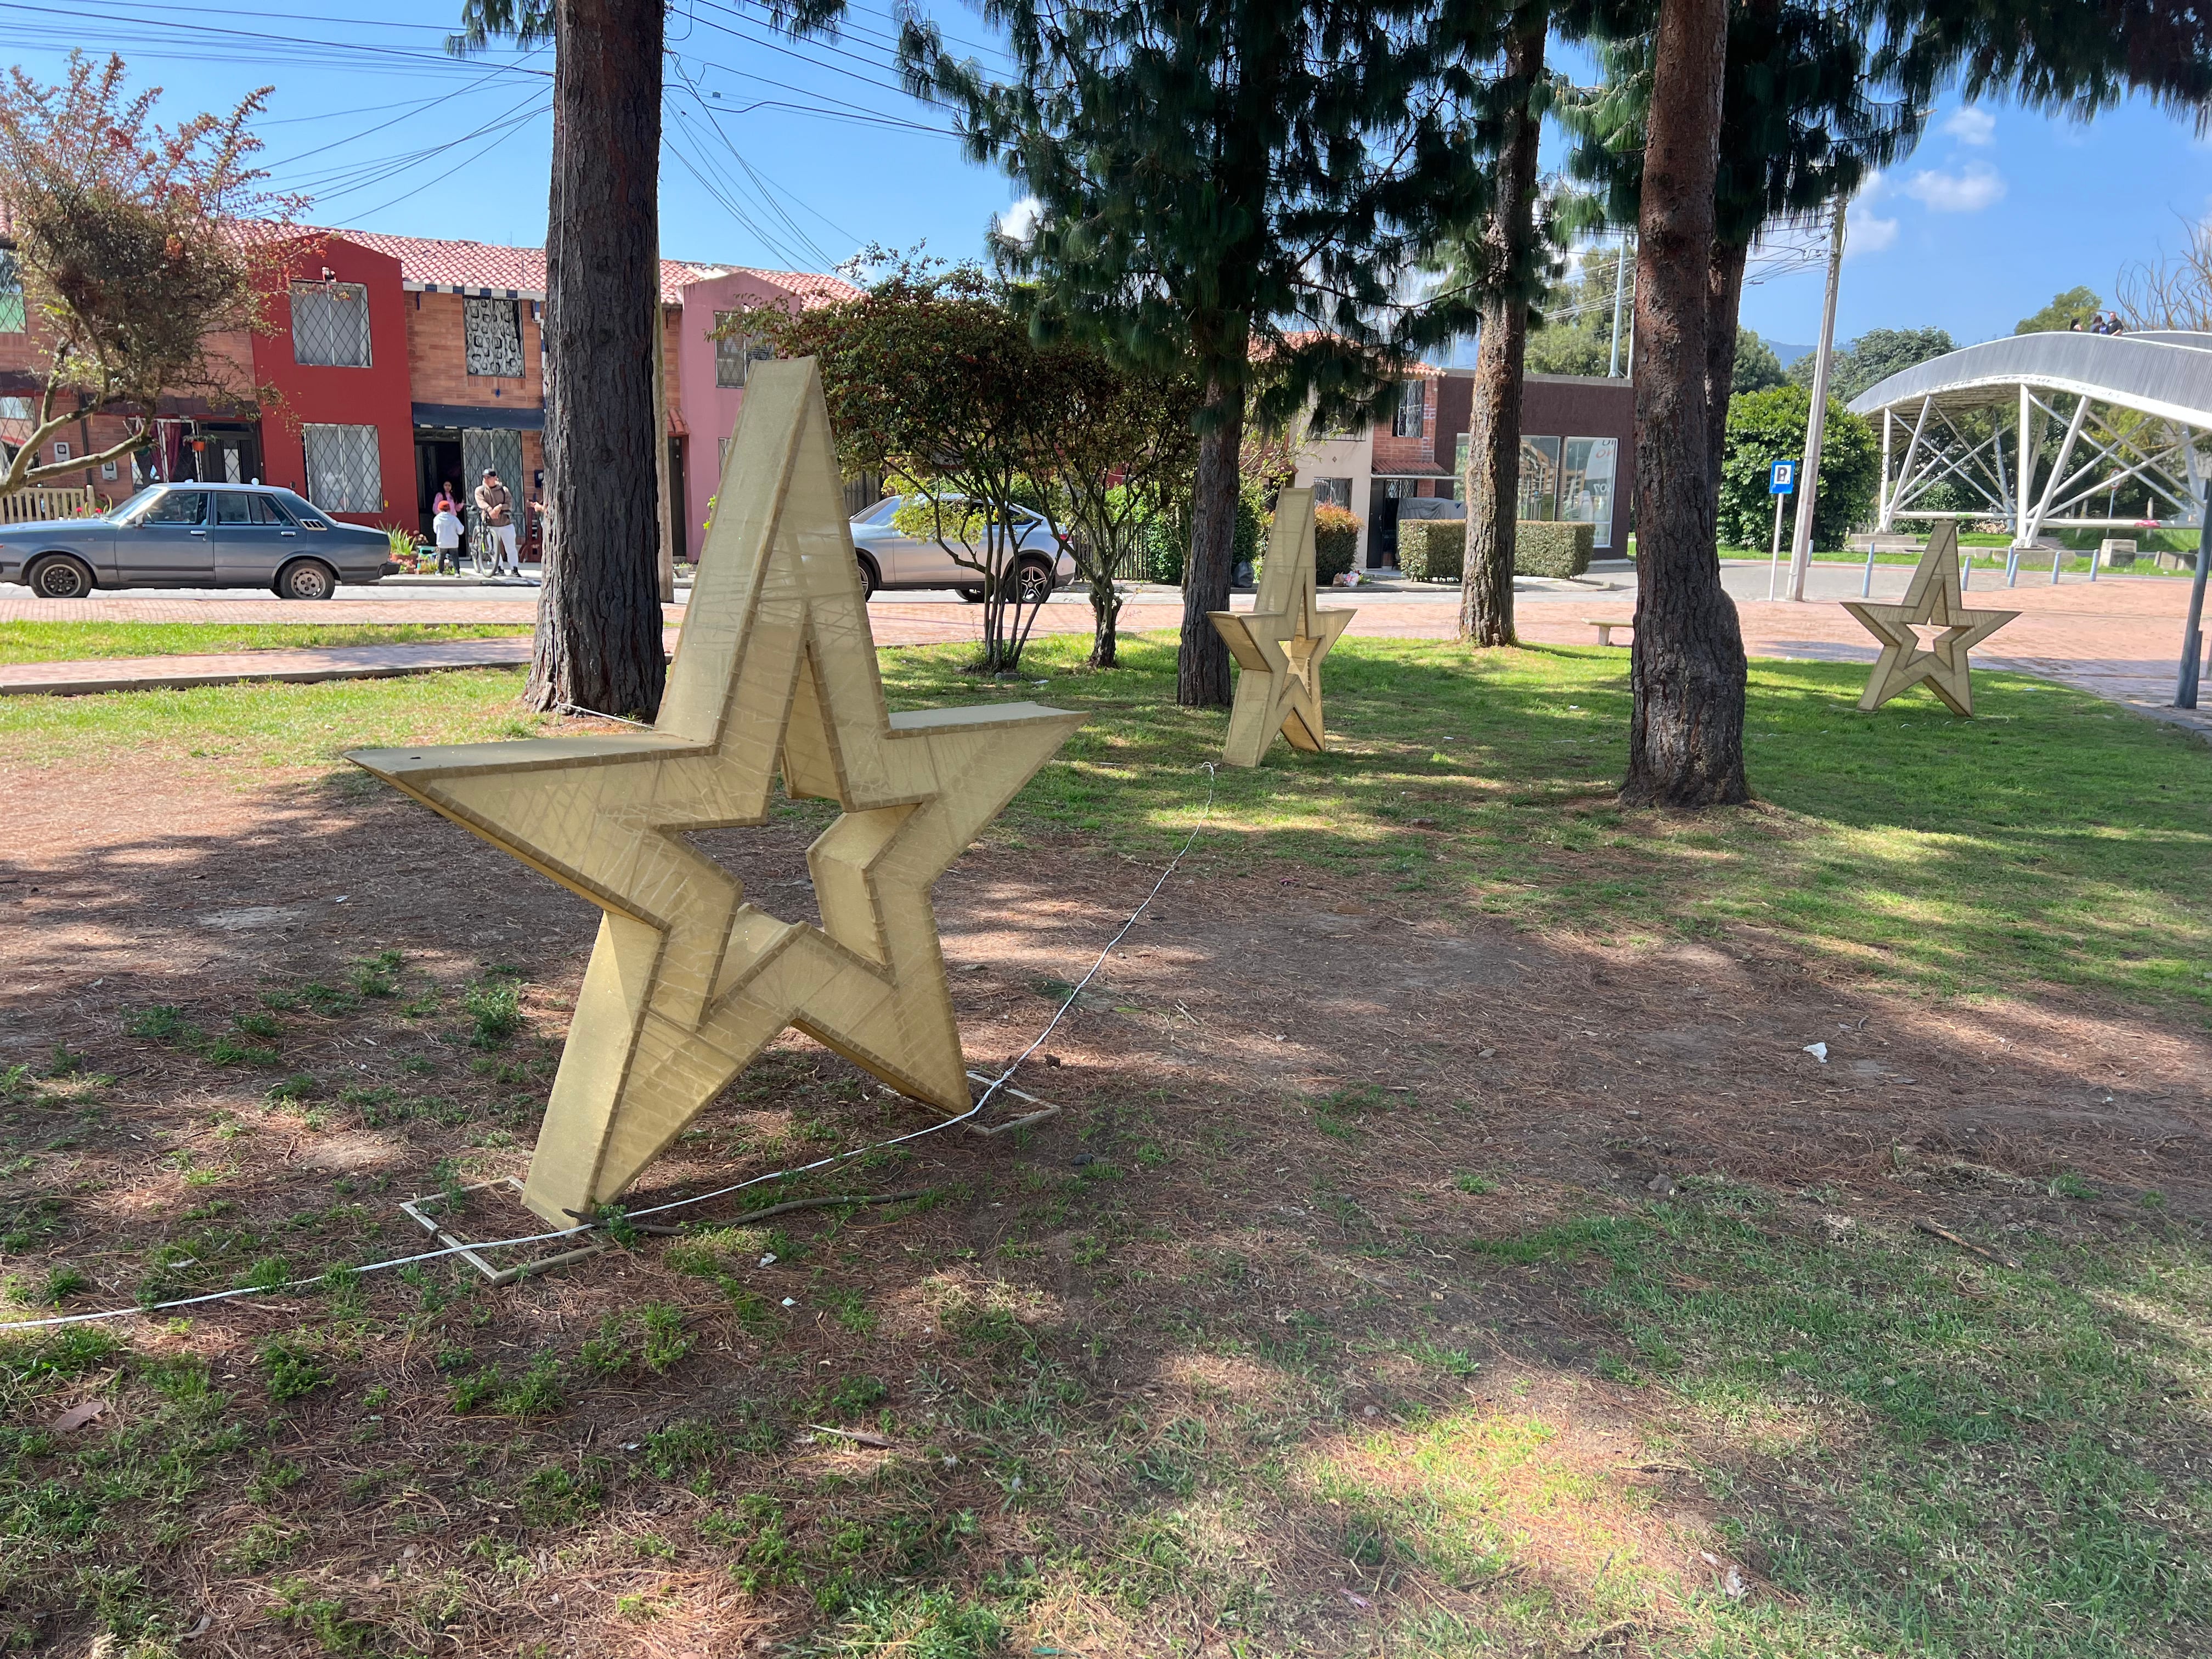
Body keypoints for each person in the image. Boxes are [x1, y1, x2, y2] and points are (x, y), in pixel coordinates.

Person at [474, 467, 518, 576]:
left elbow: (509, 504)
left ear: (495, 478)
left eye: (489, 478)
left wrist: (499, 507)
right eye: (484, 478)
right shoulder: (481, 490)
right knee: (494, 548)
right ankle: (499, 568)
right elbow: (481, 502)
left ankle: (514, 569)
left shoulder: (504, 490)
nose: (486, 480)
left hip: (505, 523)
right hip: (490, 524)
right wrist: (490, 510)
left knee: (511, 547)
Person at [432, 498, 465, 575]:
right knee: (455, 557)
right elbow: (461, 531)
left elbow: (435, 531)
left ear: (439, 509)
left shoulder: (437, 519)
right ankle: (457, 572)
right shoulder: (454, 519)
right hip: (453, 542)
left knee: (441, 556)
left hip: (442, 541)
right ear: (450, 509)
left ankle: (440, 571)